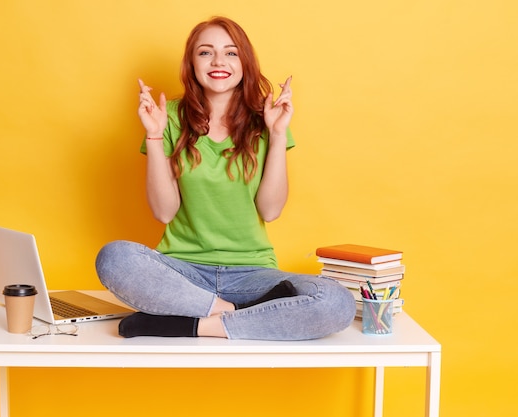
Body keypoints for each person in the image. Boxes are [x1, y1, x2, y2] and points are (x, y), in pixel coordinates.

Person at [95, 16, 355, 340]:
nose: (219, 61)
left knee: (337, 302)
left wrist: (276, 134)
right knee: (113, 257)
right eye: (206, 53)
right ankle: (233, 313)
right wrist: (154, 135)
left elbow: (271, 210)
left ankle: (187, 325)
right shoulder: (170, 118)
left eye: (231, 53)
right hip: (183, 272)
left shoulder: (267, 119)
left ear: (244, 62)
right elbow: (164, 212)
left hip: (253, 274)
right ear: (192, 63)